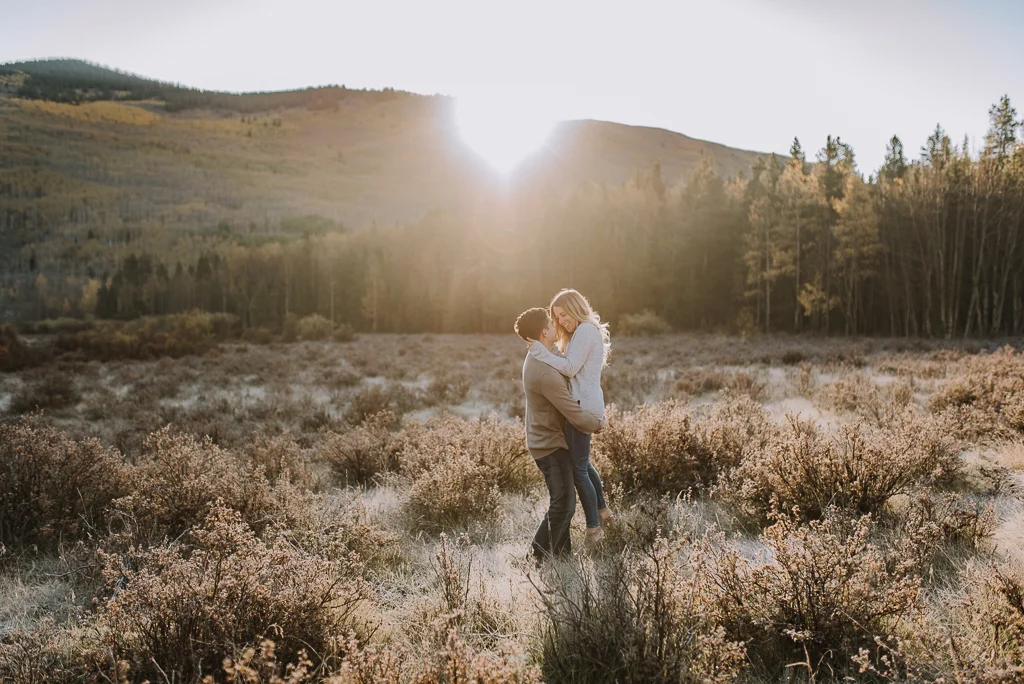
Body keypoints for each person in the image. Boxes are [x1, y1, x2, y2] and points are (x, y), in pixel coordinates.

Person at [515, 307, 604, 561]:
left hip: (550, 440)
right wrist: (596, 423)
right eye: (552, 324)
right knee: (563, 503)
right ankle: (539, 556)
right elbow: (573, 413)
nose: (557, 326)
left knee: (564, 502)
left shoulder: (541, 357)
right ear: (544, 332)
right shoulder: (545, 372)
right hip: (549, 445)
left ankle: (561, 556)